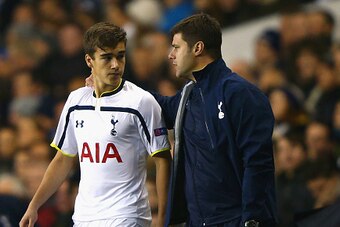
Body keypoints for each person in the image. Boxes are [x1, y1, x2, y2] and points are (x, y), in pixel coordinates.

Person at [19, 22, 171, 227]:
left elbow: (163, 160)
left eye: (120, 55)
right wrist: (34, 205)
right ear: (89, 60)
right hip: (83, 217)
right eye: (107, 58)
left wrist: (163, 218)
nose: (116, 64)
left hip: (127, 215)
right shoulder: (75, 101)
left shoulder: (141, 101)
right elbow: (63, 159)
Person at [152, 13, 278, 227]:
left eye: (176, 47)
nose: (171, 55)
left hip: (236, 220)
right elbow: (155, 106)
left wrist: (252, 220)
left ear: (198, 48)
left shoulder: (240, 93)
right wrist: (114, 85)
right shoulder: (187, 96)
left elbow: (257, 163)